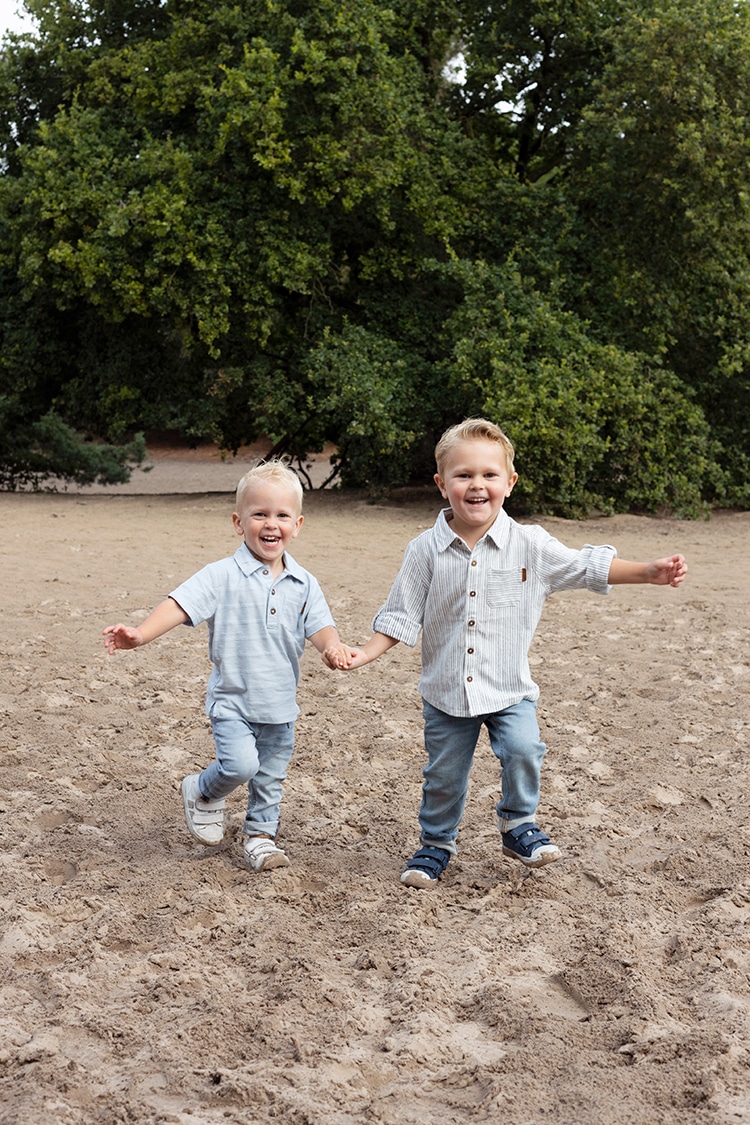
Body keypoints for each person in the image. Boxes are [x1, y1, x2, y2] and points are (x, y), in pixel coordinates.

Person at [324, 418, 687, 888]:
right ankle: (436, 844)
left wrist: (648, 572)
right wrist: (364, 654)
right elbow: (401, 614)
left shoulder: (530, 544)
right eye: (463, 475)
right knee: (444, 777)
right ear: (442, 484)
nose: (477, 485)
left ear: (509, 482)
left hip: (510, 689)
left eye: (489, 475)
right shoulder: (424, 550)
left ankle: (517, 824)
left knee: (523, 749)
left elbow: (584, 566)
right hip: (446, 693)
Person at [103, 460, 344, 873]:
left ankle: (260, 838)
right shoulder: (221, 576)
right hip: (232, 701)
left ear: (298, 524)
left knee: (269, 778)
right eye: (259, 514)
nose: (271, 524)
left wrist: (332, 646)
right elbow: (179, 605)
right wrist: (140, 634)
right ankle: (203, 789)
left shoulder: (304, 582)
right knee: (241, 766)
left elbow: (320, 626)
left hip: (280, 705)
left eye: (282, 515)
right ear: (238, 522)